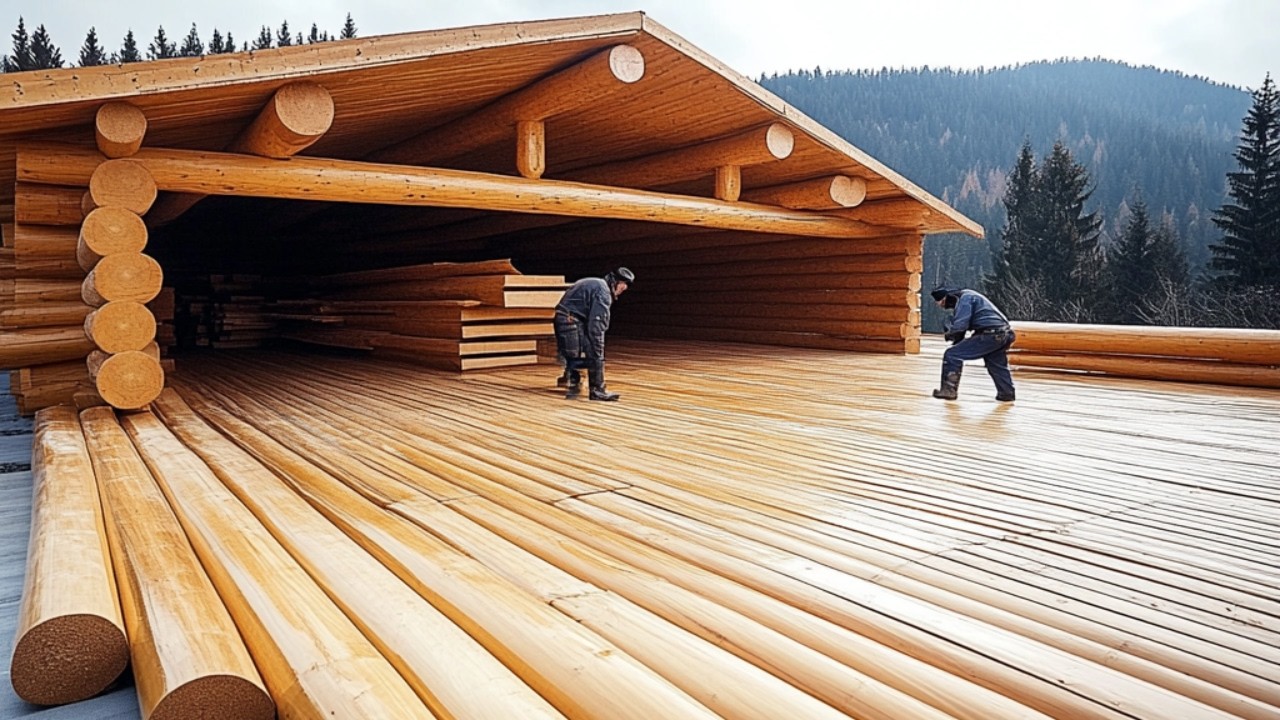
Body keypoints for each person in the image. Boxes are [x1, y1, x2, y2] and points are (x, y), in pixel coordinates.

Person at [554, 267, 634, 401]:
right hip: (570, 319)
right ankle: (597, 390)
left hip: (567, 317)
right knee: (590, 351)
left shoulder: (597, 284)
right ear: (616, 282)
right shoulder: (603, 293)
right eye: (623, 285)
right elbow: (597, 325)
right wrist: (598, 350)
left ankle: (572, 380)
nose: (624, 289)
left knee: (574, 353)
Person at [930, 285, 1017, 402]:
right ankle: (1007, 393)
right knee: (996, 364)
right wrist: (957, 339)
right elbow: (964, 327)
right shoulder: (970, 295)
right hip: (1004, 333)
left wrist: (950, 333)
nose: (941, 306)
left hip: (989, 334)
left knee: (952, 355)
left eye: (940, 303)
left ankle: (949, 390)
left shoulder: (964, 299)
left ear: (946, 298)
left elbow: (961, 325)